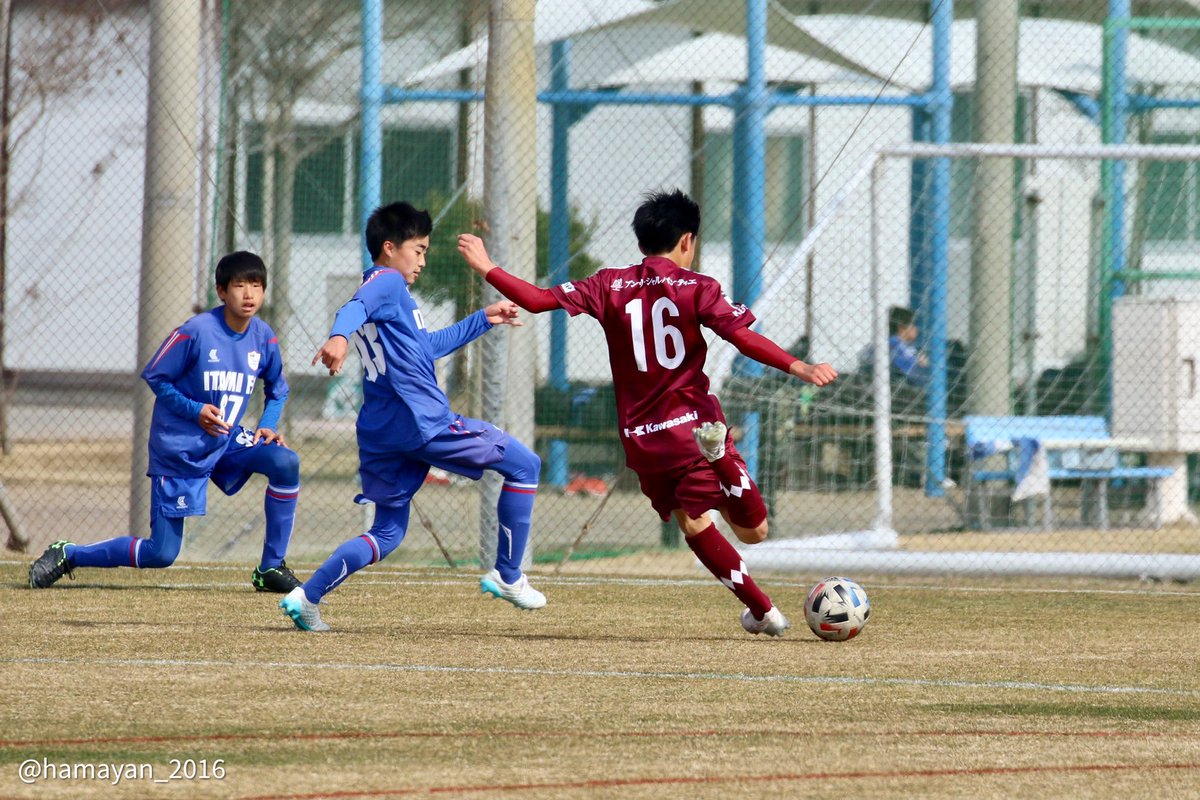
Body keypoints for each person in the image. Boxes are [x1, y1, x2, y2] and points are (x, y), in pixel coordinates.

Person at [458, 189, 837, 637]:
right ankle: (719, 462)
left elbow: (539, 300)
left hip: (643, 439)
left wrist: (487, 267)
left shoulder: (607, 283)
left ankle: (764, 612)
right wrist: (800, 366)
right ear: (687, 242)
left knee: (693, 524)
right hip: (693, 426)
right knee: (755, 531)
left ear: (641, 243)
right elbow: (741, 337)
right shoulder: (699, 286)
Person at [281, 201, 544, 632]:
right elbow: (353, 308)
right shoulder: (386, 283)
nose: (422, 260)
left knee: (387, 533)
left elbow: (427, 348)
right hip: (423, 422)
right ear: (389, 248)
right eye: (418, 249)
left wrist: (484, 318)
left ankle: (307, 597)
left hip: (383, 430)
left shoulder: (392, 294)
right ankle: (509, 575)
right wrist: (338, 337)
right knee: (524, 465)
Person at [28, 251, 303, 592]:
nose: (249, 295)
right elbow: (156, 377)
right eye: (239, 285)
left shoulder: (264, 336)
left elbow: (278, 389)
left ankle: (271, 568)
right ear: (220, 291)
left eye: (257, 286)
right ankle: (71, 554)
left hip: (227, 439)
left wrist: (268, 424)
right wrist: (196, 410)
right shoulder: (196, 331)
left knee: (285, 461)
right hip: (182, 446)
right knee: (162, 552)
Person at [858, 305, 930, 386]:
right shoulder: (897, 347)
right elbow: (918, 378)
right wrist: (924, 366)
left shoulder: (879, 343)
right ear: (902, 327)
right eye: (913, 324)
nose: (916, 328)